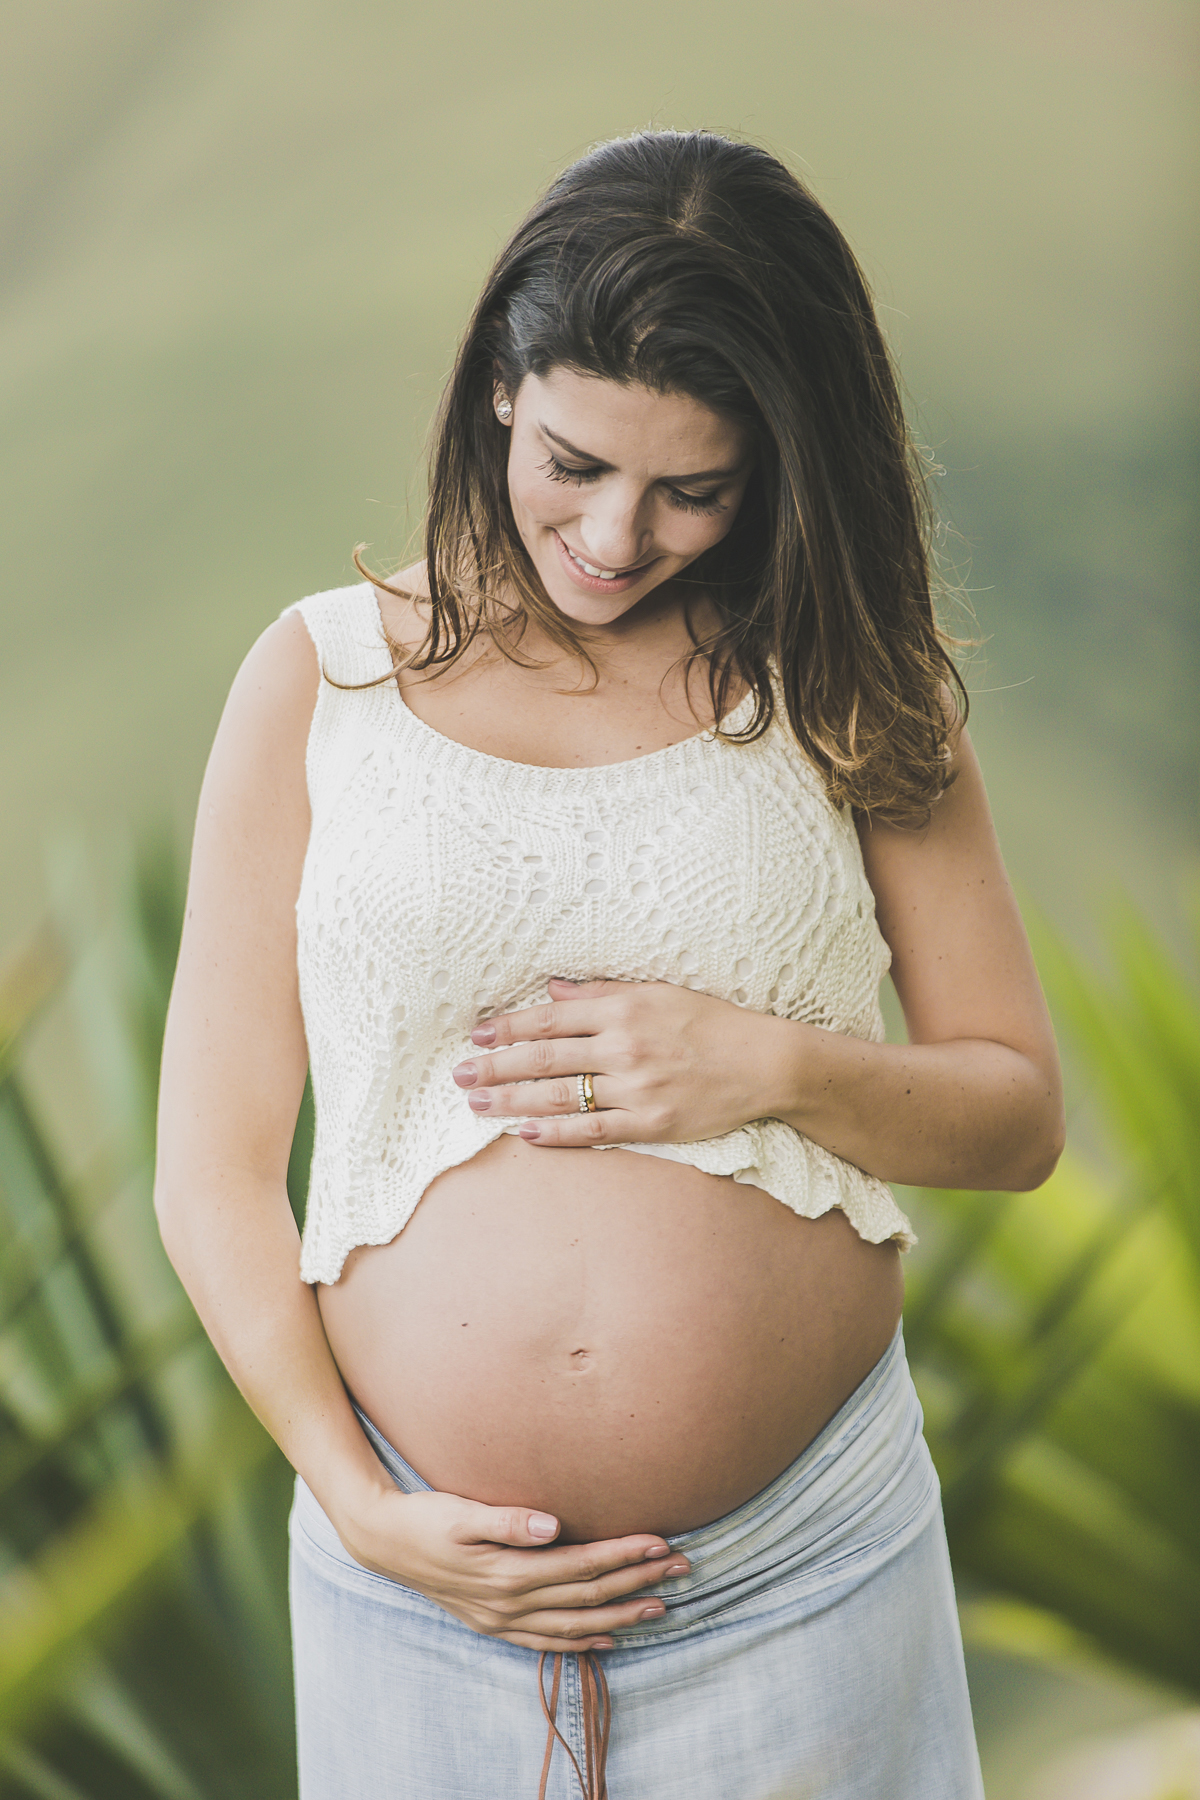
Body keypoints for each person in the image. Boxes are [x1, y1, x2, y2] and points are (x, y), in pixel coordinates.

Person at [155, 129, 1064, 1799]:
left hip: (805, 1571)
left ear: (777, 467)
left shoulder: (847, 685)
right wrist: (359, 1502)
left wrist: (775, 1066)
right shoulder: (319, 681)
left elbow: (1015, 1119)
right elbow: (212, 1169)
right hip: (420, 1587)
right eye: (574, 460)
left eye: (691, 488)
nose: (615, 536)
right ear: (500, 386)